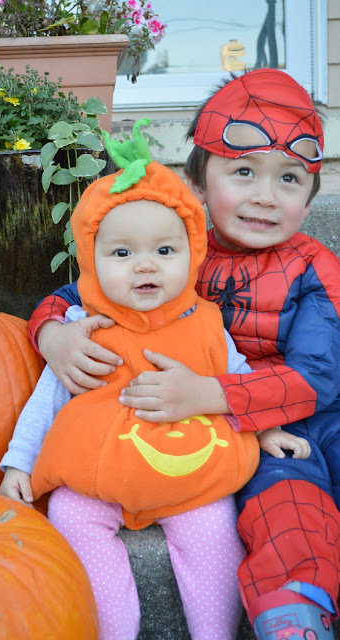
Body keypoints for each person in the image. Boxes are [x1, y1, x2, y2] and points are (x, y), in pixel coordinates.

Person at [26, 70, 340, 639]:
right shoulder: (173, 249)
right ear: (197, 182)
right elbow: (83, 291)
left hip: (301, 414)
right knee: (286, 493)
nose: (265, 195)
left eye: (290, 178)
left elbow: (316, 378)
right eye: (244, 171)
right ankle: (293, 615)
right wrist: (51, 334)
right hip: (221, 430)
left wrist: (211, 393)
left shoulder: (314, 266)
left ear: (309, 197)